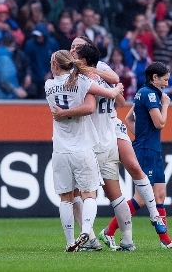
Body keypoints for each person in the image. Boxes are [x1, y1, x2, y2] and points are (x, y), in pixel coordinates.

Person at [69, 36, 167, 250]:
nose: (73, 49)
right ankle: (113, 239)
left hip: (101, 133)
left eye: (78, 47)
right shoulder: (77, 75)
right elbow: (117, 97)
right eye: (72, 47)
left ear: (86, 54)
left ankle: (93, 238)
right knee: (98, 193)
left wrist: (111, 91)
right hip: (97, 135)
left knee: (87, 191)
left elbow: (115, 98)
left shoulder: (91, 73)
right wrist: (113, 92)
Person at [53, 44, 135, 251]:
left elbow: (88, 107)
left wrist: (63, 113)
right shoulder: (104, 78)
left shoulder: (83, 81)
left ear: (82, 60)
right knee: (115, 194)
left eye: (75, 53)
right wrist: (114, 88)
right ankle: (127, 240)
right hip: (109, 140)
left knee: (77, 194)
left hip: (90, 143)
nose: (71, 55)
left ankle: (89, 239)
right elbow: (120, 101)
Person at [102, 62, 172, 249]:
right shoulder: (151, 95)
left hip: (152, 148)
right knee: (141, 198)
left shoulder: (144, 92)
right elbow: (159, 123)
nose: (167, 82)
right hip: (146, 150)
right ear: (154, 78)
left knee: (160, 194)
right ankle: (109, 230)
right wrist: (166, 105)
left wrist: (140, 136)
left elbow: (129, 118)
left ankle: (165, 241)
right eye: (165, 79)